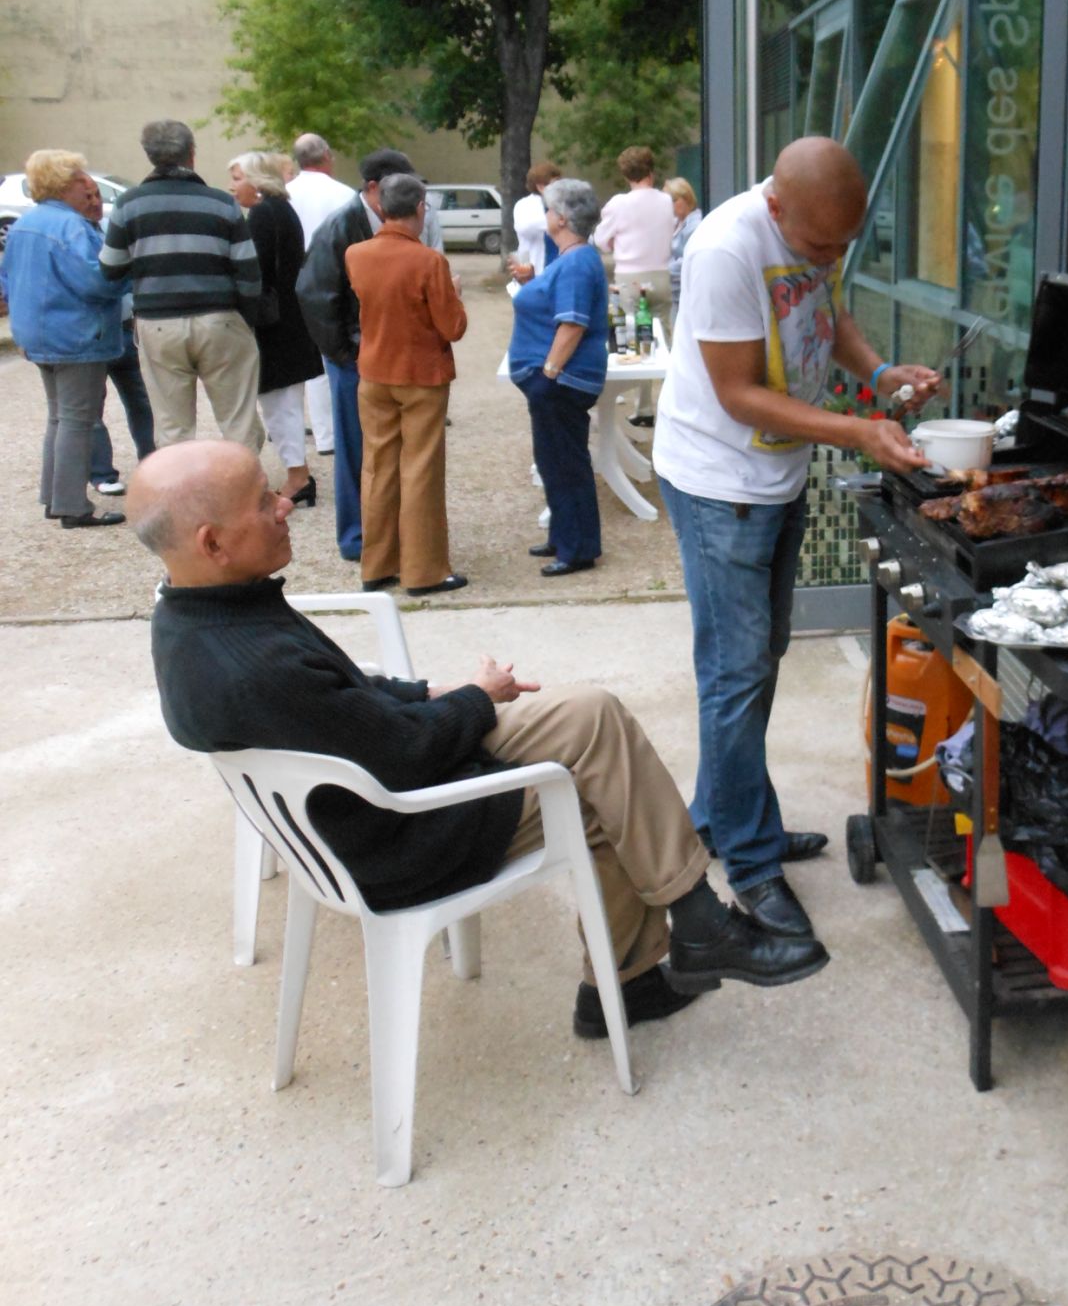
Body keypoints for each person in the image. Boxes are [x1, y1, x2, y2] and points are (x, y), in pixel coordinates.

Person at [127, 441, 828, 1032]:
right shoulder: (253, 668)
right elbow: (406, 755)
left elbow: (343, 700)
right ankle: (658, 958)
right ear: (212, 542)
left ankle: (687, 933)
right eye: (263, 502)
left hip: (372, 791)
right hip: (405, 834)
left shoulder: (197, 616)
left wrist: (428, 694)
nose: (285, 504)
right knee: (601, 792)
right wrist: (476, 698)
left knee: (594, 716)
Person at [654, 136, 942, 950]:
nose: (829, 258)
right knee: (735, 672)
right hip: (718, 484)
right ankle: (750, 864)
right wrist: (859, 430)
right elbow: (739, 393)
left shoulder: (814, 232)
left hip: (773, 478)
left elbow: (825, 315)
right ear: (776, 204)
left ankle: (720, 814)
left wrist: (878, 374)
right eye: (819, 245)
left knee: (755, 659)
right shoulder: (724, 249)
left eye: (841, 246)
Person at [295, 146, 427, 562]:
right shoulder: (341, 226)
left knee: (390, 449)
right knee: (355, 450)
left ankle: (390, 530)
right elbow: (314, 295)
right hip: (355, 358)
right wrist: (347, 353)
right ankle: (357, 537)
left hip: (387, 355)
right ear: (372, 188)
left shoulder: (389, 224)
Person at [98, 119, 264, 452]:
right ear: (191, 154)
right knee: (239, 421)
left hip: (158, 323)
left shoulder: (129, 204)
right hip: (219, 318)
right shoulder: (222, 203)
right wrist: (246, 317)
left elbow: (110, 268)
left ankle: (179, 485)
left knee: (173, 428)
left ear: (149, 155)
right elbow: (249, 273)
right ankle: (242, 482)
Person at [345, 173, 468, 596]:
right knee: (420, 471)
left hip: (373, 372)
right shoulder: (429, 262)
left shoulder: (356, 254)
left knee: (378, 468)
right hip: (421, 376)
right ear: (420, 208)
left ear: (380, 206)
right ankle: (423, 571)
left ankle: (378, 565)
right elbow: (452, 327)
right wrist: (454, 294)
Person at [0, 149, 128, 528]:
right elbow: (96, 282)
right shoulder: (71, 226)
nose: (86, 185)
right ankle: (72, 506)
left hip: (38, 334)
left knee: (59, 417)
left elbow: (7, 279)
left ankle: (54, 495)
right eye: (78, 178)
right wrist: (129, 274)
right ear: (63, 184)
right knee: (77, 420)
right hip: (77, 335)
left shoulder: (25, 224)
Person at [507, 177, 609, 578]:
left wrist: (549, 372)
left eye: (549, 209)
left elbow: (573, 323)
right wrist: (532, 285)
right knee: (552, 460)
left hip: (562, 381)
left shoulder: (577, 261)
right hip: (554, 381)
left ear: (562, 218)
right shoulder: (569, 259)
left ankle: (578, 547)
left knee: (566, 463)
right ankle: (564, 535)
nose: (546, 215)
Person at [228, 150, 326, 507]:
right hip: (289, 319)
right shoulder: (280, 209)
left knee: (279, 404)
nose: (232, 186)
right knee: (283, 403)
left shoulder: (264, 214)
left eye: (237, 178)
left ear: (257, 179)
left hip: (276, 324)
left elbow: (257, 272)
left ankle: (298, 476)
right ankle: (298, 473)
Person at [76, 173, 155, 497]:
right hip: (91, 334)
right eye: (87, 197)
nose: (95, 202)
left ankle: (153, 464)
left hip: (124, 327)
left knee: (142, 400)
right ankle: (102, 473)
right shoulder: (72, 236)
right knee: (91, 407)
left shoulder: (111, 228)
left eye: (97, 195)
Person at [285, 132, 355, 458]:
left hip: (295, 283)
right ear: (326, 156)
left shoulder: (286, 194)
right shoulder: (344, 195)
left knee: (310, 362)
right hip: (337, 281)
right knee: (336, 355)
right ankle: (338, 431)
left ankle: (323, 434)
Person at [594, 145, 675, 344]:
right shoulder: (666, 201)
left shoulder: (619, 204)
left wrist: (614, 243)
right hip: (661, 274)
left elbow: (600, 240)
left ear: (625, 175)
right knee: (664, 332)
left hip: (629, 277)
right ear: (651, 171)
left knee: (632, 333)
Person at [507, 158, 561, 283]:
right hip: (532, 272)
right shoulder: (525, 205)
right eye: (555, 185)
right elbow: (525, 227)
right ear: (541, 186)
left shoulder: (563, 204)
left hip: (559, 271)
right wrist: (559, 221)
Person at [664, 175, 703, 332]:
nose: (669, 206)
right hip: (674, 292)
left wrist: (663, 269)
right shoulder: (675, 223)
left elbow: (688, 260)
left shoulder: (695, 225)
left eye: (673, 201)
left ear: (685, 199)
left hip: (685, 291)